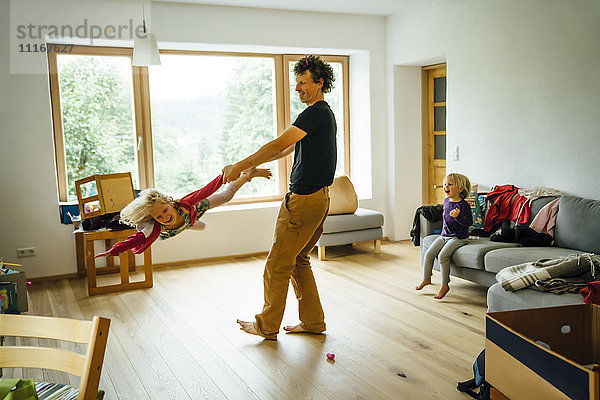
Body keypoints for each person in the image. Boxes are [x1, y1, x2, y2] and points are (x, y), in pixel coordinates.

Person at [222, 55, 336, 340]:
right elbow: (285, 149)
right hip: (319, 199)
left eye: (302, 83)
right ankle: (313, 322)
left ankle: (266, 325)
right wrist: (253, 166)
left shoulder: (315, 113)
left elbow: (277, 143)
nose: (297, 88)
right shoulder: (323, 114)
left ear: (319, 83)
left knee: (277, 265)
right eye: (296, 83)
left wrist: (238, 165)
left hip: (304, 201)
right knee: (298, 261)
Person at [95, 168, 271, 258]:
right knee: (201, 227)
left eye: (165, 211)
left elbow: (207, 189)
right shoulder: (155, 226)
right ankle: (187, 224)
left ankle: (248, 174)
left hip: (192, 213)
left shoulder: (185, 203)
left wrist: (226, 175)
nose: (164, 217)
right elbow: (135, 240)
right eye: (159, 217)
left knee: (226, 196)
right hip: (183, 225)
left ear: (171, 202)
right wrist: (115, 250)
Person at [416, 173, 473, 299]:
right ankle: (426, 279)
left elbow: (469, 223)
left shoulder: (464, 205)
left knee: (442, 256)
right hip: (444, 235)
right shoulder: (446, 201)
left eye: (450, 184)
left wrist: (458, 217)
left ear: (460, 189)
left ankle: (445, 285)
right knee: (429, 254)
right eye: (445, 184)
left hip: (459, 237)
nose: (446, 186)